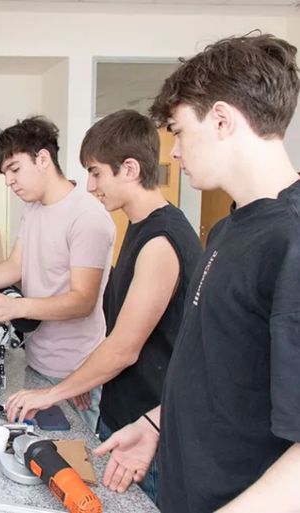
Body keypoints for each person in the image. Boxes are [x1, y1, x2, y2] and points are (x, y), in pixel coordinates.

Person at [94, 34, 300, 513]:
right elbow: (225, 373)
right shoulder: (229, 228)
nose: (175, 152)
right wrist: (156, 425)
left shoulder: (291, 242)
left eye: (180, 131)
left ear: (222, 120)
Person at [5, 109, 202, 502]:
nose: (90, 185)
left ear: (129, 169)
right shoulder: (140, 228)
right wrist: (88, 377)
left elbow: (124, 348)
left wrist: (52, 393)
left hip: (147, 427)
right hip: (123, 412)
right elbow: (116, 324)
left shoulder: (162, 240)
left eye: (96, 173)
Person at [0, 116, 115, 431]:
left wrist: (16, 307)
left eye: (14, 169)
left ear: (43, 159)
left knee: (76, 451)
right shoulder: (33, 209)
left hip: (76, 372)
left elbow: (82, 301)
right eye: (5, 174)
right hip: (37, 359)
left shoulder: (87, 217)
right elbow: (16, 265)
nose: (9, 181)